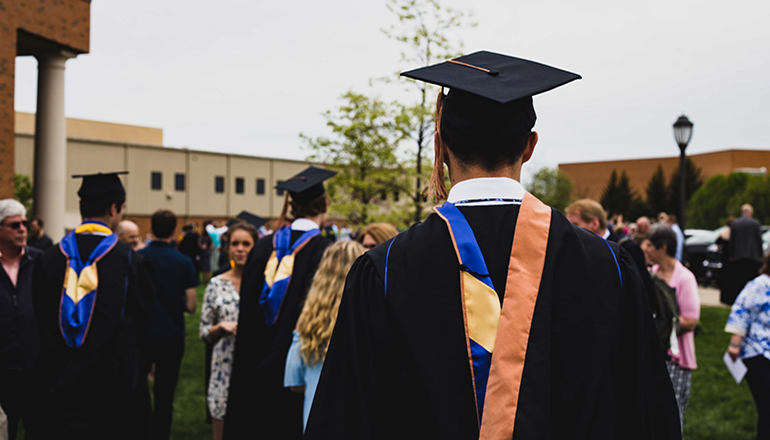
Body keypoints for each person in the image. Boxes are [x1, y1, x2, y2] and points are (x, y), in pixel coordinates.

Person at [305, 52, 680, 440]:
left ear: (441, 145)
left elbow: (344, 420)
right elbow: (646, 414)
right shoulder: (608, 265)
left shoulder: (383, 271)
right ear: (530, 146)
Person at [31, 172, 154, 440]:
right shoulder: (132, 262)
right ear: (114, 209)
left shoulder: (47, 259)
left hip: (58, 387)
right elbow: (145, 330)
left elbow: (38, 321)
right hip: (114, 389)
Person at [224, 167, 335, 440]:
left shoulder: (262, 246)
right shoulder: (324, 250)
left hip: (253, 359)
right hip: (295, 366)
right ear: (325, 204)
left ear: (292, 206)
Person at [284, 240, 366, 431]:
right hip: (358, 419)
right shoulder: (368, 314)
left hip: (317, 419)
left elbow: (293, 381)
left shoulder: (308, 320)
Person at [138, 210, 198, 440]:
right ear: (174, 230)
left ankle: (142, 430)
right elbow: (192, 304)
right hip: (172, 333)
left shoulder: (140, 258)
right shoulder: (182, 261)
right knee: (165, 394)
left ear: (151, 229)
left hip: (143, 332)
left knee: (139, 388)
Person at [200, 223, 258, 440]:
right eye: (235, 244)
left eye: (246, 244)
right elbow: (203, 331)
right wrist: (221, 327)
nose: (240, 249)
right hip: (223, 369)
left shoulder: (264, 284)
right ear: (228, 248)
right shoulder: (216, 284)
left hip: (253, 368)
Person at [642, 224, 700, 432]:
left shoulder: (685, 278)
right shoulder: (651, 273)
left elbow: (691, 320)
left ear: (663, 248)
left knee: (672, 414)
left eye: (650, 245)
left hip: (676, 358)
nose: (645, 249)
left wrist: (661, 324)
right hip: (654, 353)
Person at [0, 200, 40, 440]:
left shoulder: (40, 261)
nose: (23, 229)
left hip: (35, 366)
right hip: (3, 368)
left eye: (25, 223)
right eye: (15, 225)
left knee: (38, 427)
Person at [725, 251, 770, 440]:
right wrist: (735, 344)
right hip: (758, 353)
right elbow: (741, 312)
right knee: (767, 408)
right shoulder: (759, 285)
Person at [722, 204, 764, 305]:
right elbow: (759, 240)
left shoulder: (736, 224)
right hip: (752, 257)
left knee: (739, 281)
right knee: (751, 280)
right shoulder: (755, 223)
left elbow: (732, 241)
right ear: (750, 213)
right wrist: (760, 254)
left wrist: (731, 255)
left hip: (738, 257)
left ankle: (739, 299)